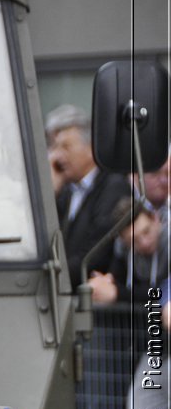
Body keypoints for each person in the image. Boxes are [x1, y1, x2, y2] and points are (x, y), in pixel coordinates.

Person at [47, 104, 134, 287]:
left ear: (90, 148)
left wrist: (52, 278)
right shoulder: (66, 191)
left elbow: (96, 254)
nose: (57, 156)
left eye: (66, 147)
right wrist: (51, 194)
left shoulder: (114, 186)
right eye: (55, 148)